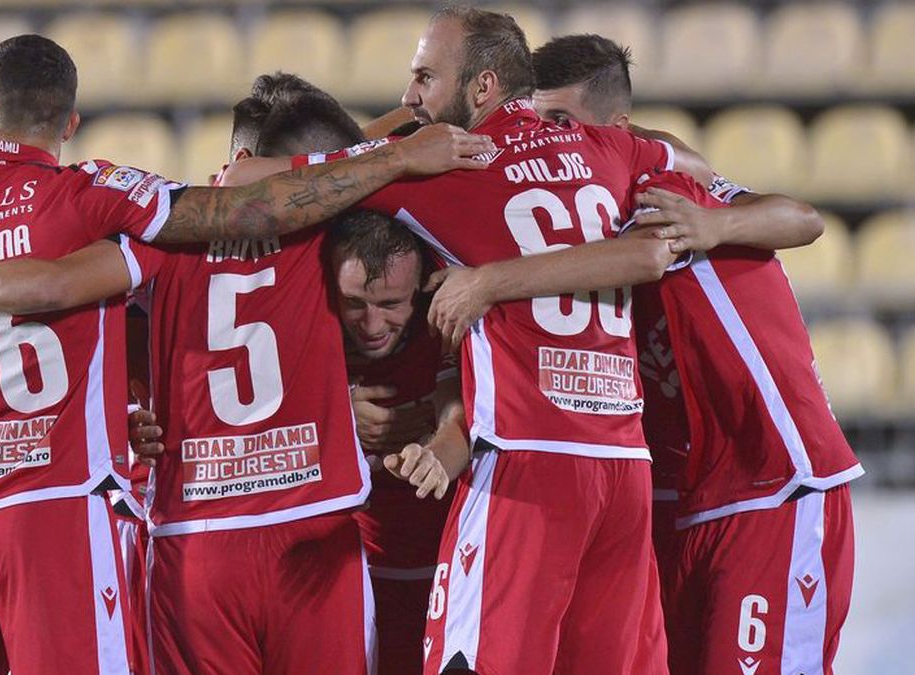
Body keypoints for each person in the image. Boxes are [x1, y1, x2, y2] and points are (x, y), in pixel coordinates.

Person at [0, 34, 493, 675]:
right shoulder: (315, 225)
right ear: (70, 123)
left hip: (167, 538)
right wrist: (401, 144)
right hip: (295, 524)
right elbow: (285, 187)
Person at [225, 8, 728, 673]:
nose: (411, 97)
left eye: (425, 78)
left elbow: (242, 183)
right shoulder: (604, 147)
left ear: (483, 86)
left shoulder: (447, 175)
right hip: (622, 468)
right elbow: (692, 172)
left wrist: (397, 153)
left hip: (526, 467)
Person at [429, 33, 862, 675]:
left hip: (774, 484)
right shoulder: (560, 217)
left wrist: (717, 225)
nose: (545, 138)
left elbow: (802, 218)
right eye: (536, 119)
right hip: (679, 496)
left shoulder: (660, 191)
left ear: (618, 128)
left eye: (561, 121)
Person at [322, 212, 468, 675]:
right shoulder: (308, 332)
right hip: (343, 569)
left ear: (421, 289)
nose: (371, 323)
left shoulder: (443, 324)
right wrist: (332, 411)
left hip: (439, 564)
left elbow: (458, 415)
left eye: (390, 303)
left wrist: (435, 454)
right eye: (354, 303)